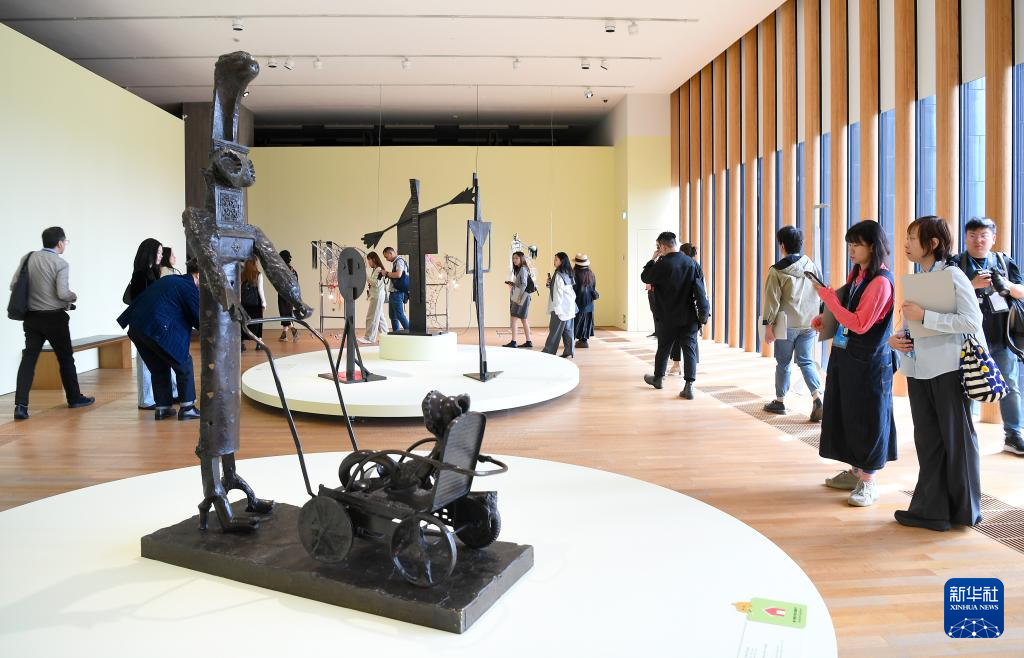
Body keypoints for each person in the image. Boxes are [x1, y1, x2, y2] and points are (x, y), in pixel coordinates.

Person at [889, 216, 984, 531]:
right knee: (928, 442)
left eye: (912, 238)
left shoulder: (953, 275)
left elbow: (971, 321)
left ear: (932, 243)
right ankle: (933, 511)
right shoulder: (921, 278)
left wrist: (925, 316)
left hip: (949, 370)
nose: (906, 244)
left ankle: (964, 511)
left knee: (957, 441)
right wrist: (898, 339)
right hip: (919, 371)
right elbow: (915, 326)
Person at [809, 220, 896, 507]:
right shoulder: (859, 275)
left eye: (857, 244)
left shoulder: (880, 282)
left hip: (870, 363)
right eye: (850, 243)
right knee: (850, 415)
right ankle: (856, 471)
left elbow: (859, 323)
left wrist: (829, 301)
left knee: (869, 419)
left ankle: (868, 482)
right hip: (849, 359)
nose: (851, 249)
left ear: (873, 246)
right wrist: (826, 318)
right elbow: (848, 312)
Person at [950, 217, 1024, 456]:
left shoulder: (1004, 261)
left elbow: (1021, 292)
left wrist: (1006, 284)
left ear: (993, 238)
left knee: (1010, 386)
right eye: (972, 235)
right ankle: (964, 435)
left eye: (983, 235)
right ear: (965, 238)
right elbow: (946, 298)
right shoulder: (956, 264)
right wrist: (971, 285)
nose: (978, 240)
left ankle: (1013, 435)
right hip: (968, 339)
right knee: (965, 385)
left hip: (1001, 337)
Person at [10, 227, 94, 420]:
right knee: (65, 358)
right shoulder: (60, 263)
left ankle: (20, 406)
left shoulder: (28, 258)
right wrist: (73, 296)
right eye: (65, 242)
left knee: (29, 359)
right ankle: (74, 398)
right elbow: (63, 293)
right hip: (55, 319)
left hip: (31, 318)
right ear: (60, 243)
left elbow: (14, 285)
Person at [117, 259, 201, 421]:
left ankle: (163, 408)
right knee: (184, 362)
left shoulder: (172, 280)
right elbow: (198, 319)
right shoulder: (188, 286)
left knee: (159, 367)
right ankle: (187, 408)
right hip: (154, 327)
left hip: (136, 327)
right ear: (198, 275)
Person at [761, 226, 825, 421]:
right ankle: (817, 398)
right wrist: (820, 316)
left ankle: (780, 401)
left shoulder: (776, 270)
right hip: (809, 323)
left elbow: (772, 300)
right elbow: (821, 291)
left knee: (783, 363)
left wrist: (768, 326)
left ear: (782, 245)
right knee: (806, 361)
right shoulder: (810, 265)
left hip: (786, 324)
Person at [640, 231, 710, 400]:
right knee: (689, 350)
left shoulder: (662, 264)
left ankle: (658, 379)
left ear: (663, 246)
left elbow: (645, 277)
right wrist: (703, 314)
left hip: (667, 316)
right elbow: (700, 291)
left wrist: (653, 259)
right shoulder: (692, 264)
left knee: (664, 348)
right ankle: (689, 386)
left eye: (659, 247)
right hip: (689, 317)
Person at [127, 238, 175, 409]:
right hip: (143, 325)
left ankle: (162, 395)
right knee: (145, 363)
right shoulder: (141, 274)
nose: (161, 256)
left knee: (156, 361)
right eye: (159, 252)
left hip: (151, 324)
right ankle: (145, 399)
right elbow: (141, 301)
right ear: (150, 253)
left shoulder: (152, 272)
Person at [542, 252, 576, 358]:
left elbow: (558, 293)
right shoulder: (568, 272)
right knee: (568, 331)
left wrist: (557, 308)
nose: (554, 261)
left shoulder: (558, 274)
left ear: (562, 261)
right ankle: (569, 351)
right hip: (569, 307)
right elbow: (565, 290)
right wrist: (550, 284)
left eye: (556, 259)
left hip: (560, 308)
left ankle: (548, 352)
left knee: (554, 331)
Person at [503, 250, 533, 348]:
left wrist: (518, 296)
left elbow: (524, 284)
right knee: (523, 318)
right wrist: (513, 284)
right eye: (513, 258)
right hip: (523, 294)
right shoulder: (521, 269)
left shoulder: (523, 269)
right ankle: (528, 341)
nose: (514, 260)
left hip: (520, 294)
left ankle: (513, 341)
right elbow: (522, 283)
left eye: (516, 258)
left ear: (521, 258)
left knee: (514, 318)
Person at [360, 251, 389, 345]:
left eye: (369, 260)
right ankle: (386, 336)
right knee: (379, 317)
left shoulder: (379, 269)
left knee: (371, 317)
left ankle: (369, 338)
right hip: (376, 295)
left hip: (377, 296)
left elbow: (375, 283)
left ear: (373, 259)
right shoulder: (376, 269)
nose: (369, 262)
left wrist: (365, 275)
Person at [239, 257, 266, 350]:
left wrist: (239, 302)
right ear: (255, 263)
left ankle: (242, 343)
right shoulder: (258, 274)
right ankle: (258, 343)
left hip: (244, 303)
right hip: (255, 303)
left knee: (244, 322)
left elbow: (239, 289)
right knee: (258, 322)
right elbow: (260, 290)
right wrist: (264, 303)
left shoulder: (242, 274)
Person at [572, 254, 598, 348]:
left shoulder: (574, 274)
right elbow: (593, 287)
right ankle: (584, 341)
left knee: (576, 323)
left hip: (578, 303)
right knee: (586, 322)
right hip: (589, 303)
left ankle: (572, 342)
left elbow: (573, 290)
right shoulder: (591, 274)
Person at [382, 246, 410, 333]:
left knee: (400, 315)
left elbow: (398, 274)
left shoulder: (399, 261)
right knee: (393, 316)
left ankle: (412, 333)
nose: (386, 259)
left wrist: (387, 273)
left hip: (397, 293)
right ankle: (396, 334)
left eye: (386, 257)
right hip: (395, 293)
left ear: (390, 253)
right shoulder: (397, 262)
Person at [276, 250, 301, 342]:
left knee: (284, 313)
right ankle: (284, 334)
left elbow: (279, 282)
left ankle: (294, 330)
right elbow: (296, 284)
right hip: (292, 295)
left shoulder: (282, 270)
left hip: (283, 294)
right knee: (287, 313)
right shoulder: (293, 270)